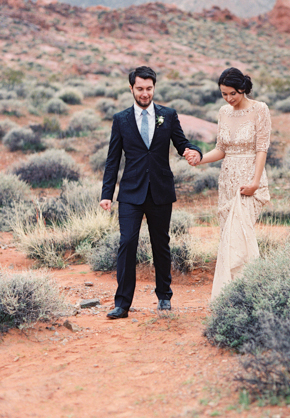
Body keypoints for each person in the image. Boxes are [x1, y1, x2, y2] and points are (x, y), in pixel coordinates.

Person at [100, 66, 201, 318]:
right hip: (131, 193)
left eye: (149, 89)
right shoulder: (120, 119)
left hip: (160, 190)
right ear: (131, 88)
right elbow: (113, 160)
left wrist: (193, 151)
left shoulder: (168, 114)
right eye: (140, 89)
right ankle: (122, 304)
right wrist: (106, 194)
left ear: (154, 88)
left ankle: (164, 297)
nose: (145, 93)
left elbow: (181, 143)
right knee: (127, 243)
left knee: (161, 244)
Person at [196, 67, 271, 300]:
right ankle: (230, 294)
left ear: (243, 89)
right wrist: (199, 158)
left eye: (233, 94)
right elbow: (221, 149)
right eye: (224, 94)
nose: (229, 99)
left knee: (242, 234)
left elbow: (262, 148)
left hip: (249, 179)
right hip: (227, 180)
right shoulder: (223, 112)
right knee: (228, 236)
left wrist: (255, 182)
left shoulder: (260, 109)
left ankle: (251, 292)